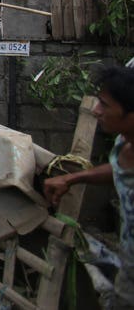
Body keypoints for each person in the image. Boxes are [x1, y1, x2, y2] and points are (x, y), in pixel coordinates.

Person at [43, 64, 134, 309]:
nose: (96, 110)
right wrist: (71, 178)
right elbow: (120, 169)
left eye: (104, 104)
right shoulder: (124, 143)